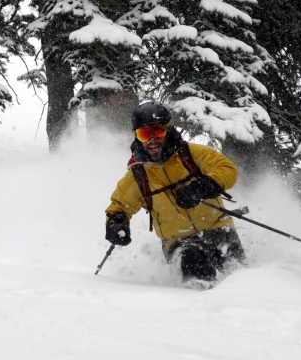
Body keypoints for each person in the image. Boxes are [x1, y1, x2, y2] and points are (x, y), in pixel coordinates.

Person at [105, 102, 245, 283]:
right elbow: (118, 206)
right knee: (193, 264)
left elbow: (227, 169)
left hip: (218, 227)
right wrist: (116, 224)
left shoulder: (191, 154)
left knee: (238, 275)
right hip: (179, 242)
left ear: (169, 129)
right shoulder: (138, 175)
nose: (152, 140)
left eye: (157, 131)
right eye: (144, 134)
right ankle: (197, 307)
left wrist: (200, 187)